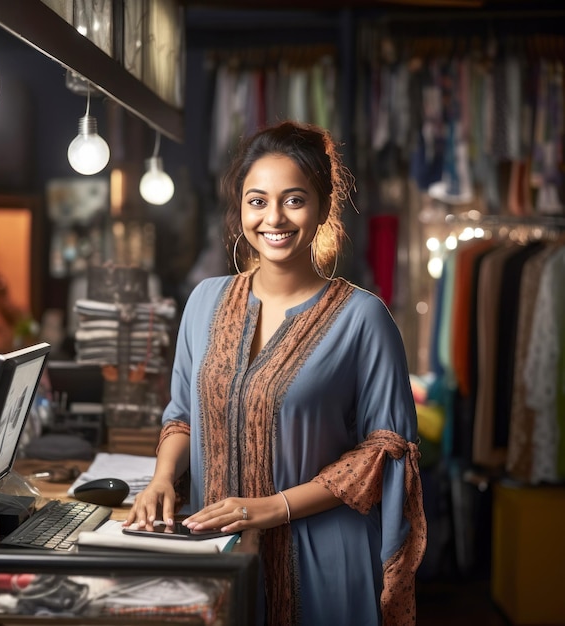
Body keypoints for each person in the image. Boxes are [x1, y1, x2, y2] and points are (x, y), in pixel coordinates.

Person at [125, 120, 427, 626]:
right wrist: (161, 479)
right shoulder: (203, 302)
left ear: (324, 206)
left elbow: (384, 453)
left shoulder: (364, 318)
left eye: (293, 199)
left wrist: (269, 509)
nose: (273, 218)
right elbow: (181, 416)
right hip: (215, 552)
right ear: (241, 207)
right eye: (257, 201)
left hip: (323, 561)